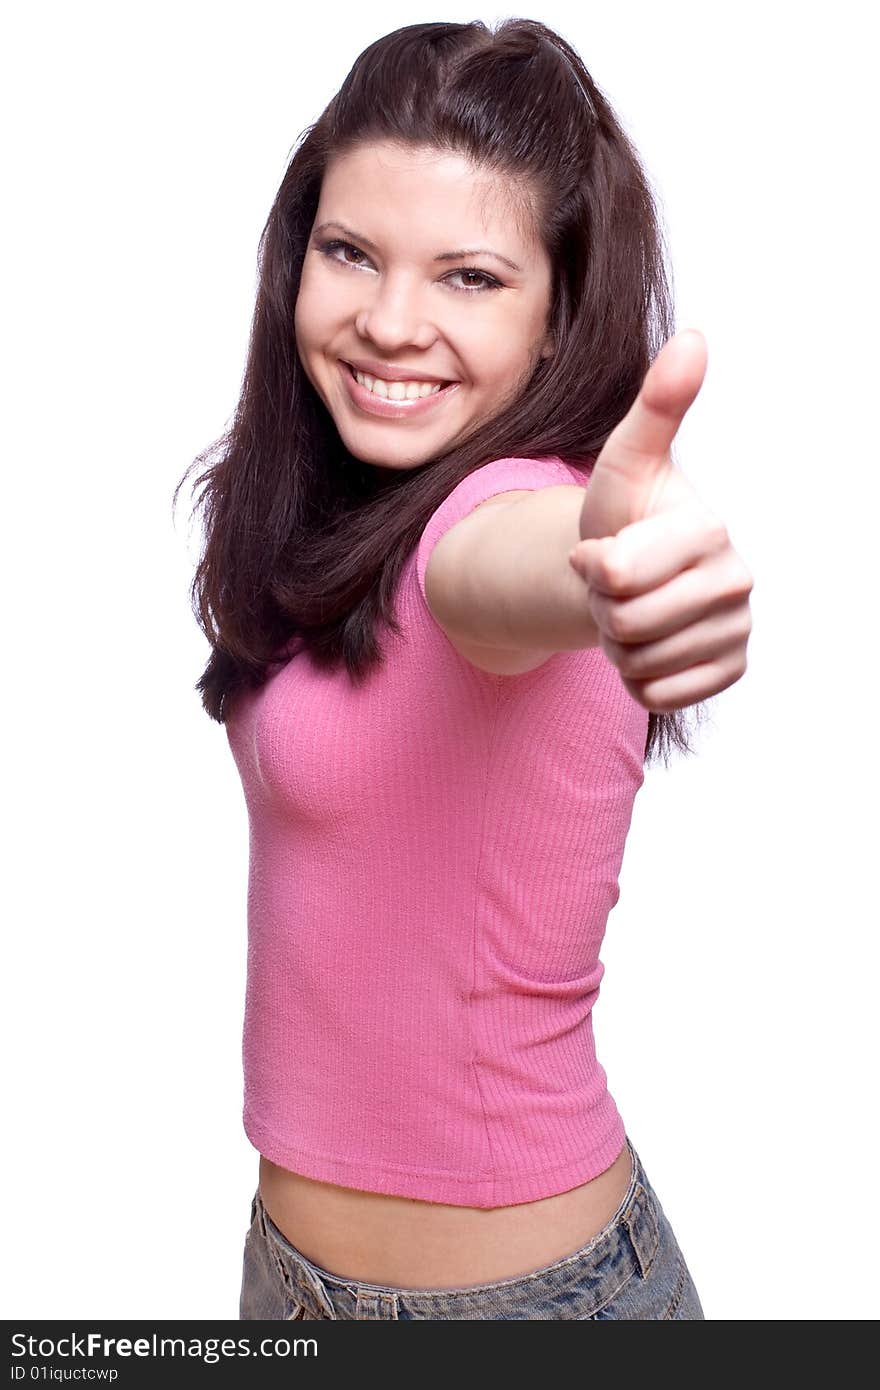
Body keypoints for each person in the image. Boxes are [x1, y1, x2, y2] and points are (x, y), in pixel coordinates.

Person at [176, 18, 753, 1320]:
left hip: (524, 1309)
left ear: (560, 315)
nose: (390, 322)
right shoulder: (334, 525)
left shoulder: (497, 515)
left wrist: (636, 564)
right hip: (290, 1279)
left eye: (470, 278)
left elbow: (533, 559)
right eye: (350, 253)